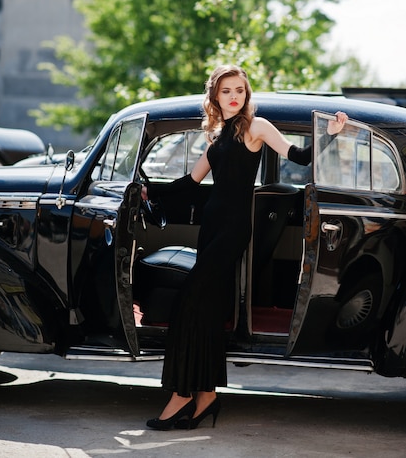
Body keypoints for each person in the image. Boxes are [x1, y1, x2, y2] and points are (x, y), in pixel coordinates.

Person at [143, 65, 348, 431]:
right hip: (211, 227)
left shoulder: (257, 126)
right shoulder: (218, 134)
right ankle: (205, 396)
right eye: (226, 91)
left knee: (189, 303)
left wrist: (328, 135)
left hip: (234, 230)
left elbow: (298, 156)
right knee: (204, 310)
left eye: (239, 89)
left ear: (246, 93)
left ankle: (182, 394)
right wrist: (148, 191)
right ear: (215, 97)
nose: (234, 96)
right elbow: (191, 182)